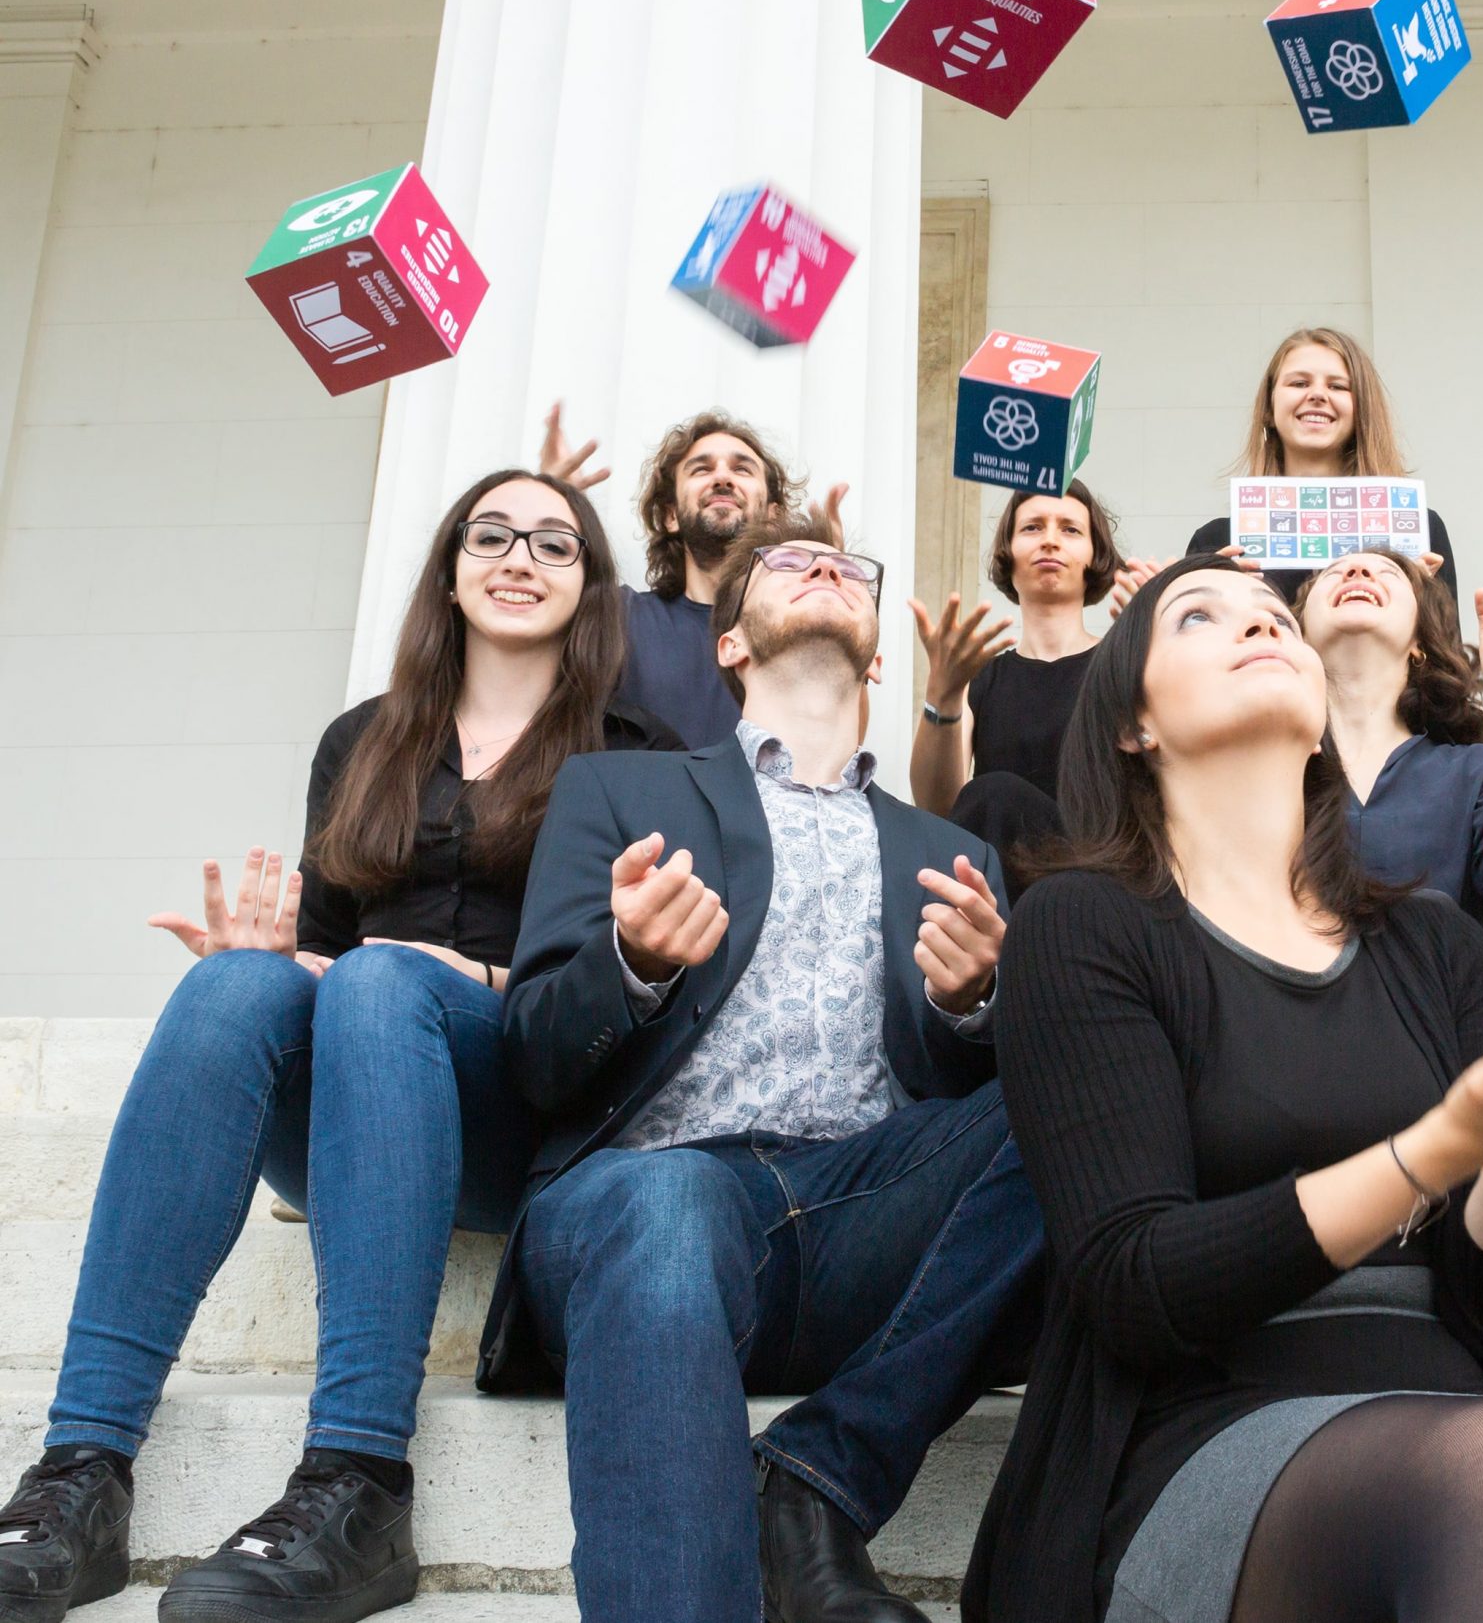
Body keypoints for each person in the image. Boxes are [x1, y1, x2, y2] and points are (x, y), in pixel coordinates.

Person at [964, 554, 1483, 1623]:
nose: (1258, 626)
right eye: (1199, 617)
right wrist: (1440, 1145)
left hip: (1445, 1390)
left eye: (1274, 617)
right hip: (1198, 1420)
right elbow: (1135, 1283)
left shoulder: (1429, 940)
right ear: (1132, 725)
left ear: (1317, 720)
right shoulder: (1080, 925)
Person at [0, 470, 678, 1623]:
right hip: (364, 1098)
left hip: (528, 1121)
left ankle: (359, 1478)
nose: (520, 557)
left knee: (379, 976)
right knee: (237, 987)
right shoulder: (362, 740)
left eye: (556, 544)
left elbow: (637, 983)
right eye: (494, 534)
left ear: (592, 586)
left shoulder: (633, 753)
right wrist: (268, 958)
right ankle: (78, 1477)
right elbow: (323, 946)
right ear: (452, 569)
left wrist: (471, 976)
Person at [480, 515, 1042, 1623]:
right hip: (648, 1198)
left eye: (847, 565)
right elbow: (534, 1058)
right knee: (671, 1198)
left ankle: (818, 1473)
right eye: (788, 563)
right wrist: (628, 964)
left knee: (1082, 1087)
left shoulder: (954, 854)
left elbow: (977, 1122)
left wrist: (977, 1003)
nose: (826, 564)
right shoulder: (617, 796)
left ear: (879, 652)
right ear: (730, 645)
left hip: (856, 1214)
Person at [1296, 547, 1483, 937]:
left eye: (1388, 572)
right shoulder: (1266, 766)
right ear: (1297, 635)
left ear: (1420, 641)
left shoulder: (1478, 772)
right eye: (1334, 572)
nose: (1357, 568)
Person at [540, 401, 830, 751]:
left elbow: (839, 741)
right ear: (670, 516)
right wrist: (550, 507)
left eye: (742, 469)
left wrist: (831, 601)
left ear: (773, 515)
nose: (722, 478)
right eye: (701, 469)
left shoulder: (796, 630)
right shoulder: (617, 615)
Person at [1126, 327, 1458, 604]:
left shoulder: (1416, 532)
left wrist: (1420, 602)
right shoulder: (1218, 543)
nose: (1317, 394)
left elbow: (1447, 667)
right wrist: (1185, 609)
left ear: (1362, 411)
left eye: (1337, 386)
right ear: (1269, 408)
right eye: (1299, 383)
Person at [908, 480, 1120, 859]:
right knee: (992, 795)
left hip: (1101, 876)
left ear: (1094, 555)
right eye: (1032, 527)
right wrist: (942, 694)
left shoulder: (1121, 666)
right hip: (1003, 886)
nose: (1051, 540)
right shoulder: (980, 678)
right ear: (1008, 552)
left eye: (1070, 529)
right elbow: (938, 808)